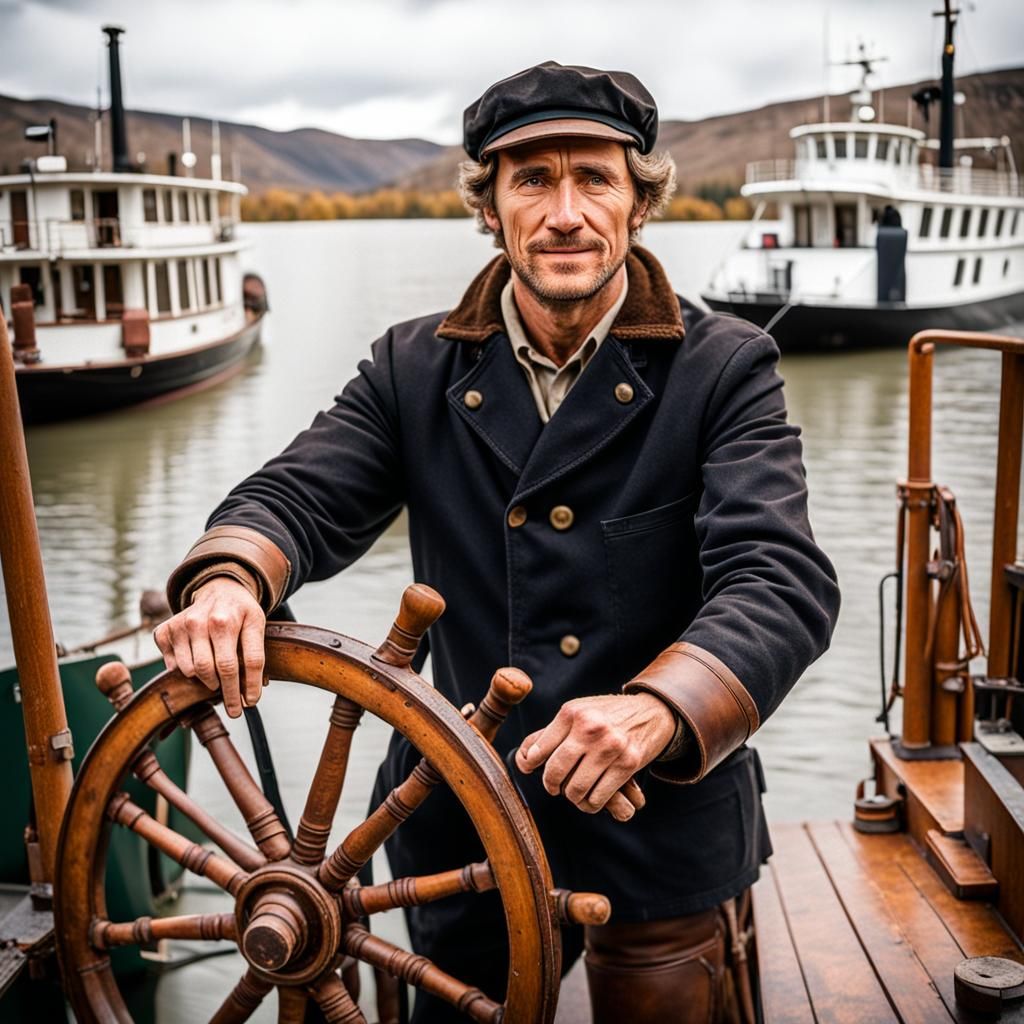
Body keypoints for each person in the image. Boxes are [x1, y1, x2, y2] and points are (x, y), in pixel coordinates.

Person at [156, 62, 840, 1024]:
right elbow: (301, 496)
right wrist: (232, 578)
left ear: (639, 203)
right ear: (490, 207)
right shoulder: (411, 366)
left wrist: (658, 709)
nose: (565, 213)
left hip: (661, 811)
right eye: (531, 180)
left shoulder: (724, 368)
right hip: (462, 817)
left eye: (595, 179)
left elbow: (779, 579)